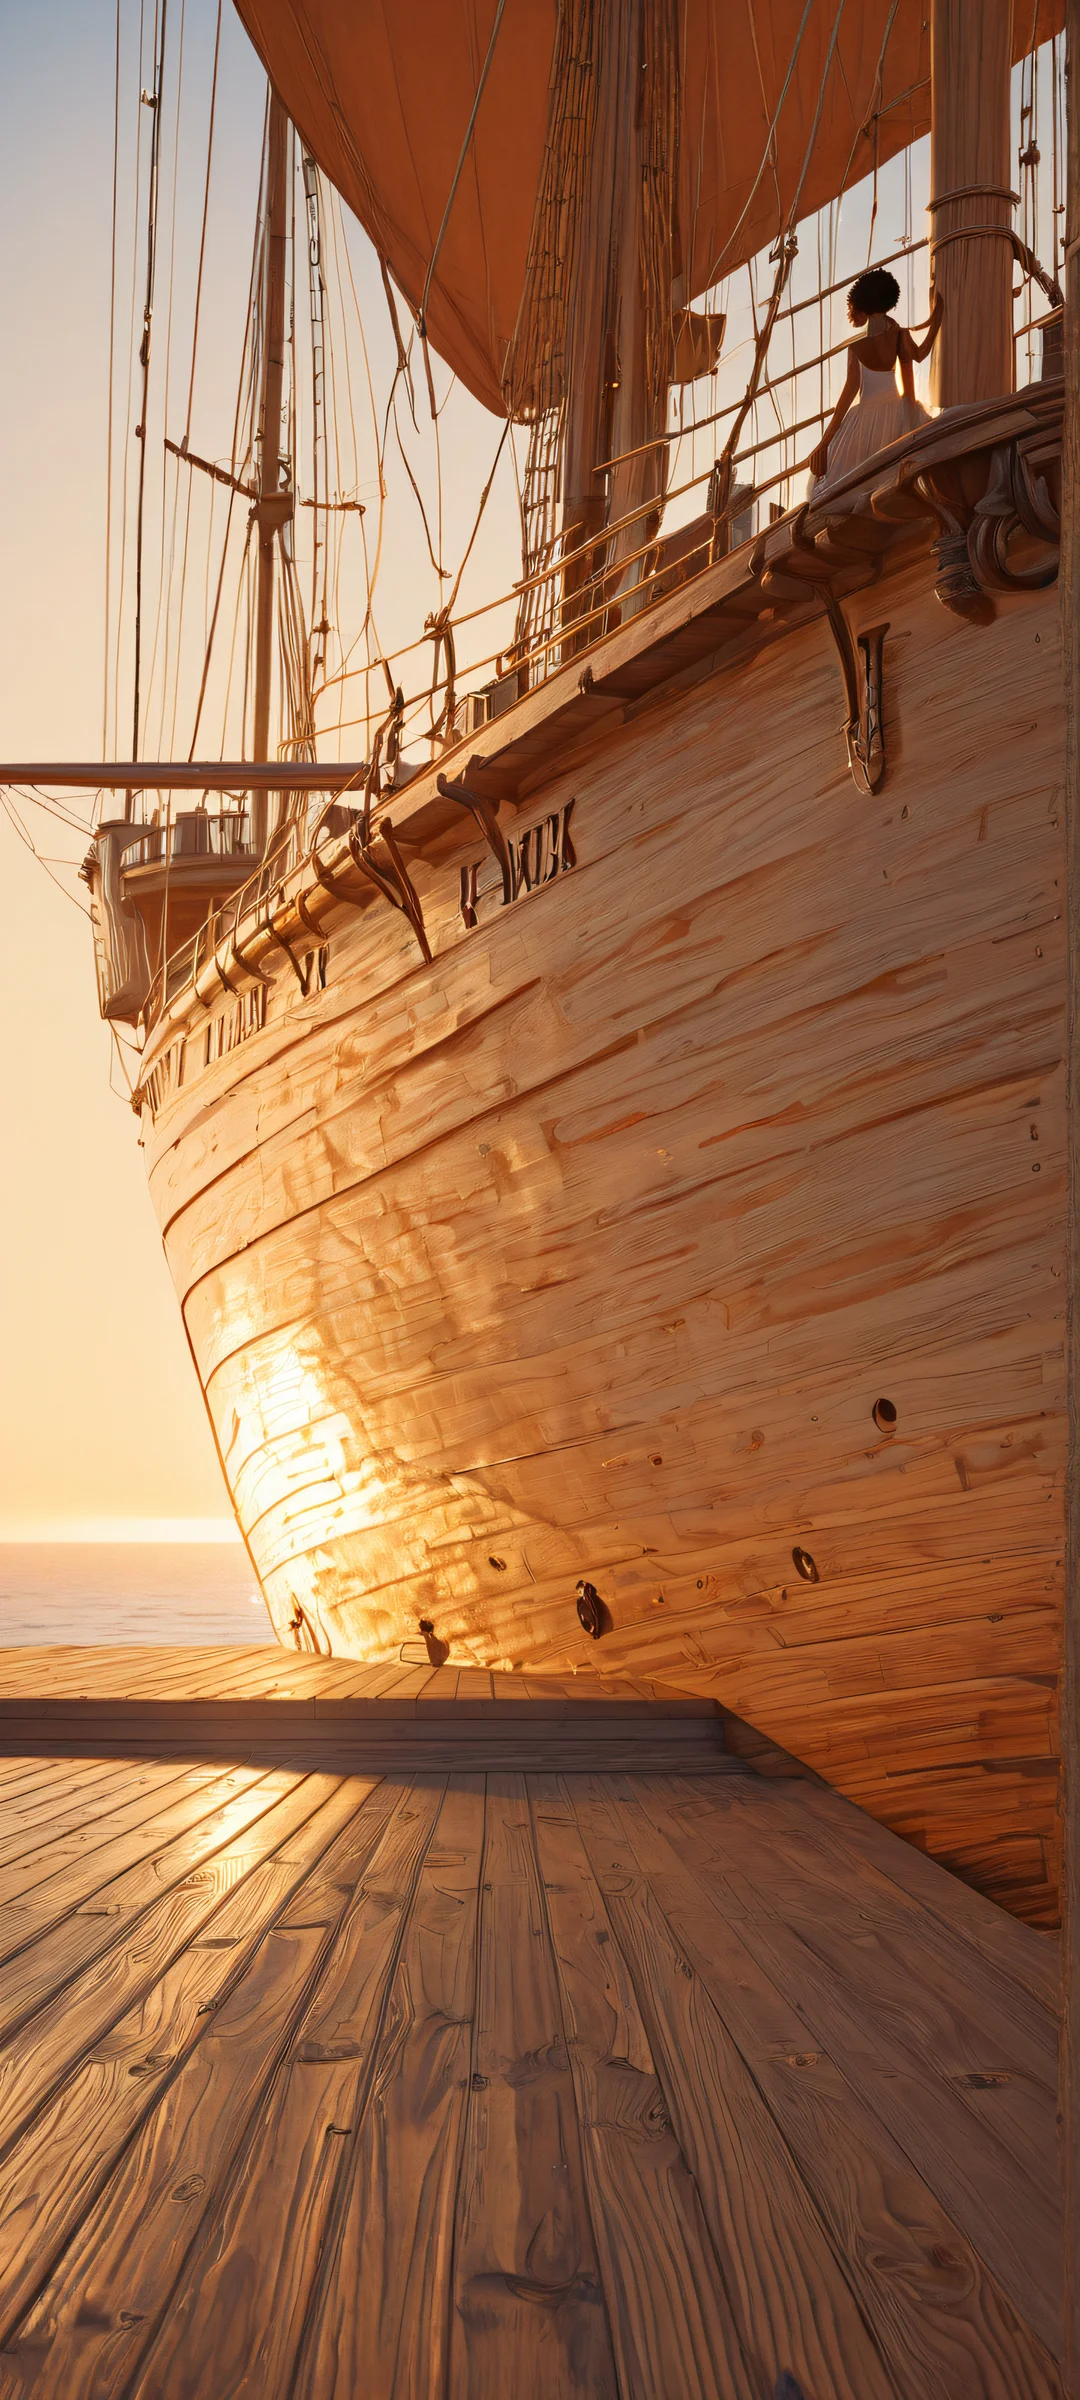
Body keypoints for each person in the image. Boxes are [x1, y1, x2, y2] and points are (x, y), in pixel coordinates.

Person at [808, 267, 944, 493]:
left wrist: (825, 440)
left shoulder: (856, 344)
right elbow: (920, 355)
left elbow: (849, 393)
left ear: (862, 306)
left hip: (863, 420)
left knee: (856, 484)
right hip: (898, 411)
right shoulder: (898, 333)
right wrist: (936, 319)